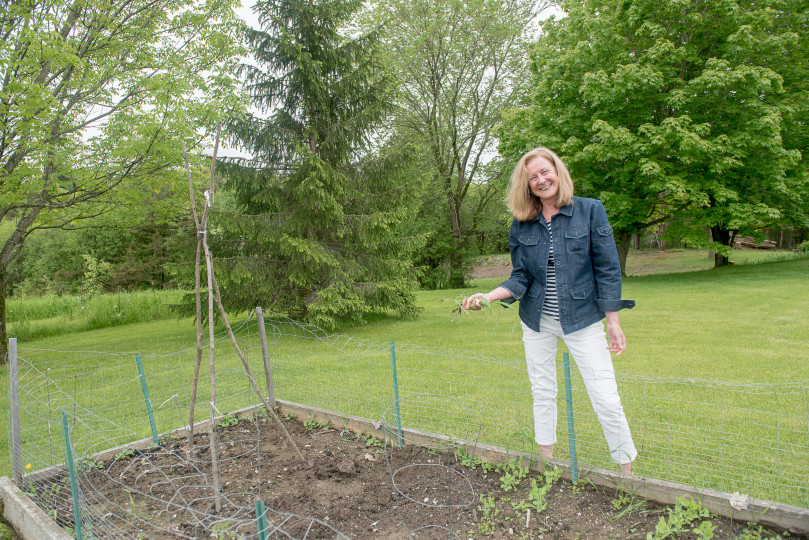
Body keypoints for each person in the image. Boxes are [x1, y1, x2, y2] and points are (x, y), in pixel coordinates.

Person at [462, 147, 637, 475]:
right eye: (533, 177)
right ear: (526, 186)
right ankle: (547, 466)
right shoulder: (521, 223)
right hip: (537, 321)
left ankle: (627, 475)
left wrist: (613, 322)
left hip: (583, 320)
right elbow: (521, 277)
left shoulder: (590, 211)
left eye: (546, 172)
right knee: (542, 392)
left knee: (605, 396)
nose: (541, 180)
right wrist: (488, 295)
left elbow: (608, 270)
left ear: (558, 171)